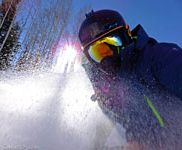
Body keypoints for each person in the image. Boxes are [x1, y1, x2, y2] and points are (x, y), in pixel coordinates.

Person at [78, 9, 182, 150]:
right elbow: (113, 124)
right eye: (98, 53)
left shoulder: (155, 57)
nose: (107, 58)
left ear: (126, 37)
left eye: (113, 44)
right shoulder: (105, 92)